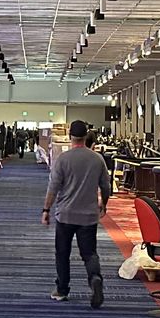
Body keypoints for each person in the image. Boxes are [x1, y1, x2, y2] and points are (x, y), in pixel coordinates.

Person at [43, 120, 112, 307]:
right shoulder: (97, 159)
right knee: (89, 253)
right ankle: (95, 278)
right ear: (86, 136)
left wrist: (46, 209)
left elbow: (53, 187)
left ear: (70, 137)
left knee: (62, 253)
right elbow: (106, 186)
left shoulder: (63, 159)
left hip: (65, 214)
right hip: (88, 216)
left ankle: (62, 290)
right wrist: (103, 204)